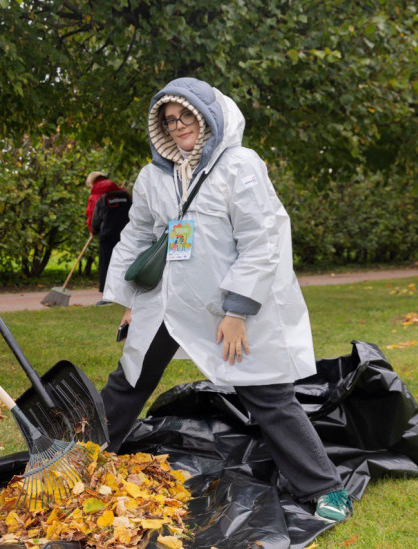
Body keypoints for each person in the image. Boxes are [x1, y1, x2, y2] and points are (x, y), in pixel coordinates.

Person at [99, 77, 353, 523]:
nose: (178, 126)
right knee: (130, 379)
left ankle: (324, 487)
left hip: (228, 305)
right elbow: (138, 237)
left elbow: (261, 239)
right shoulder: (151, 176)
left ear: (206, 116)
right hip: (166, 301)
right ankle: (89, 456)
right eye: (169, 120)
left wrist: (237, 311)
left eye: (185, 116)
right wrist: (131, 300)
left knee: (267, 394)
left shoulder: (240, 165)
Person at [85, 172, 130, 303]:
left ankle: (107, 296)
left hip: (108, 236)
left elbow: (94, 215)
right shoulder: (125, 195)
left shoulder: (99, 195)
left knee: (106, 264)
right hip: (126, 236)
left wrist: (93, 230)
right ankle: (126, 294)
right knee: (124, 263)